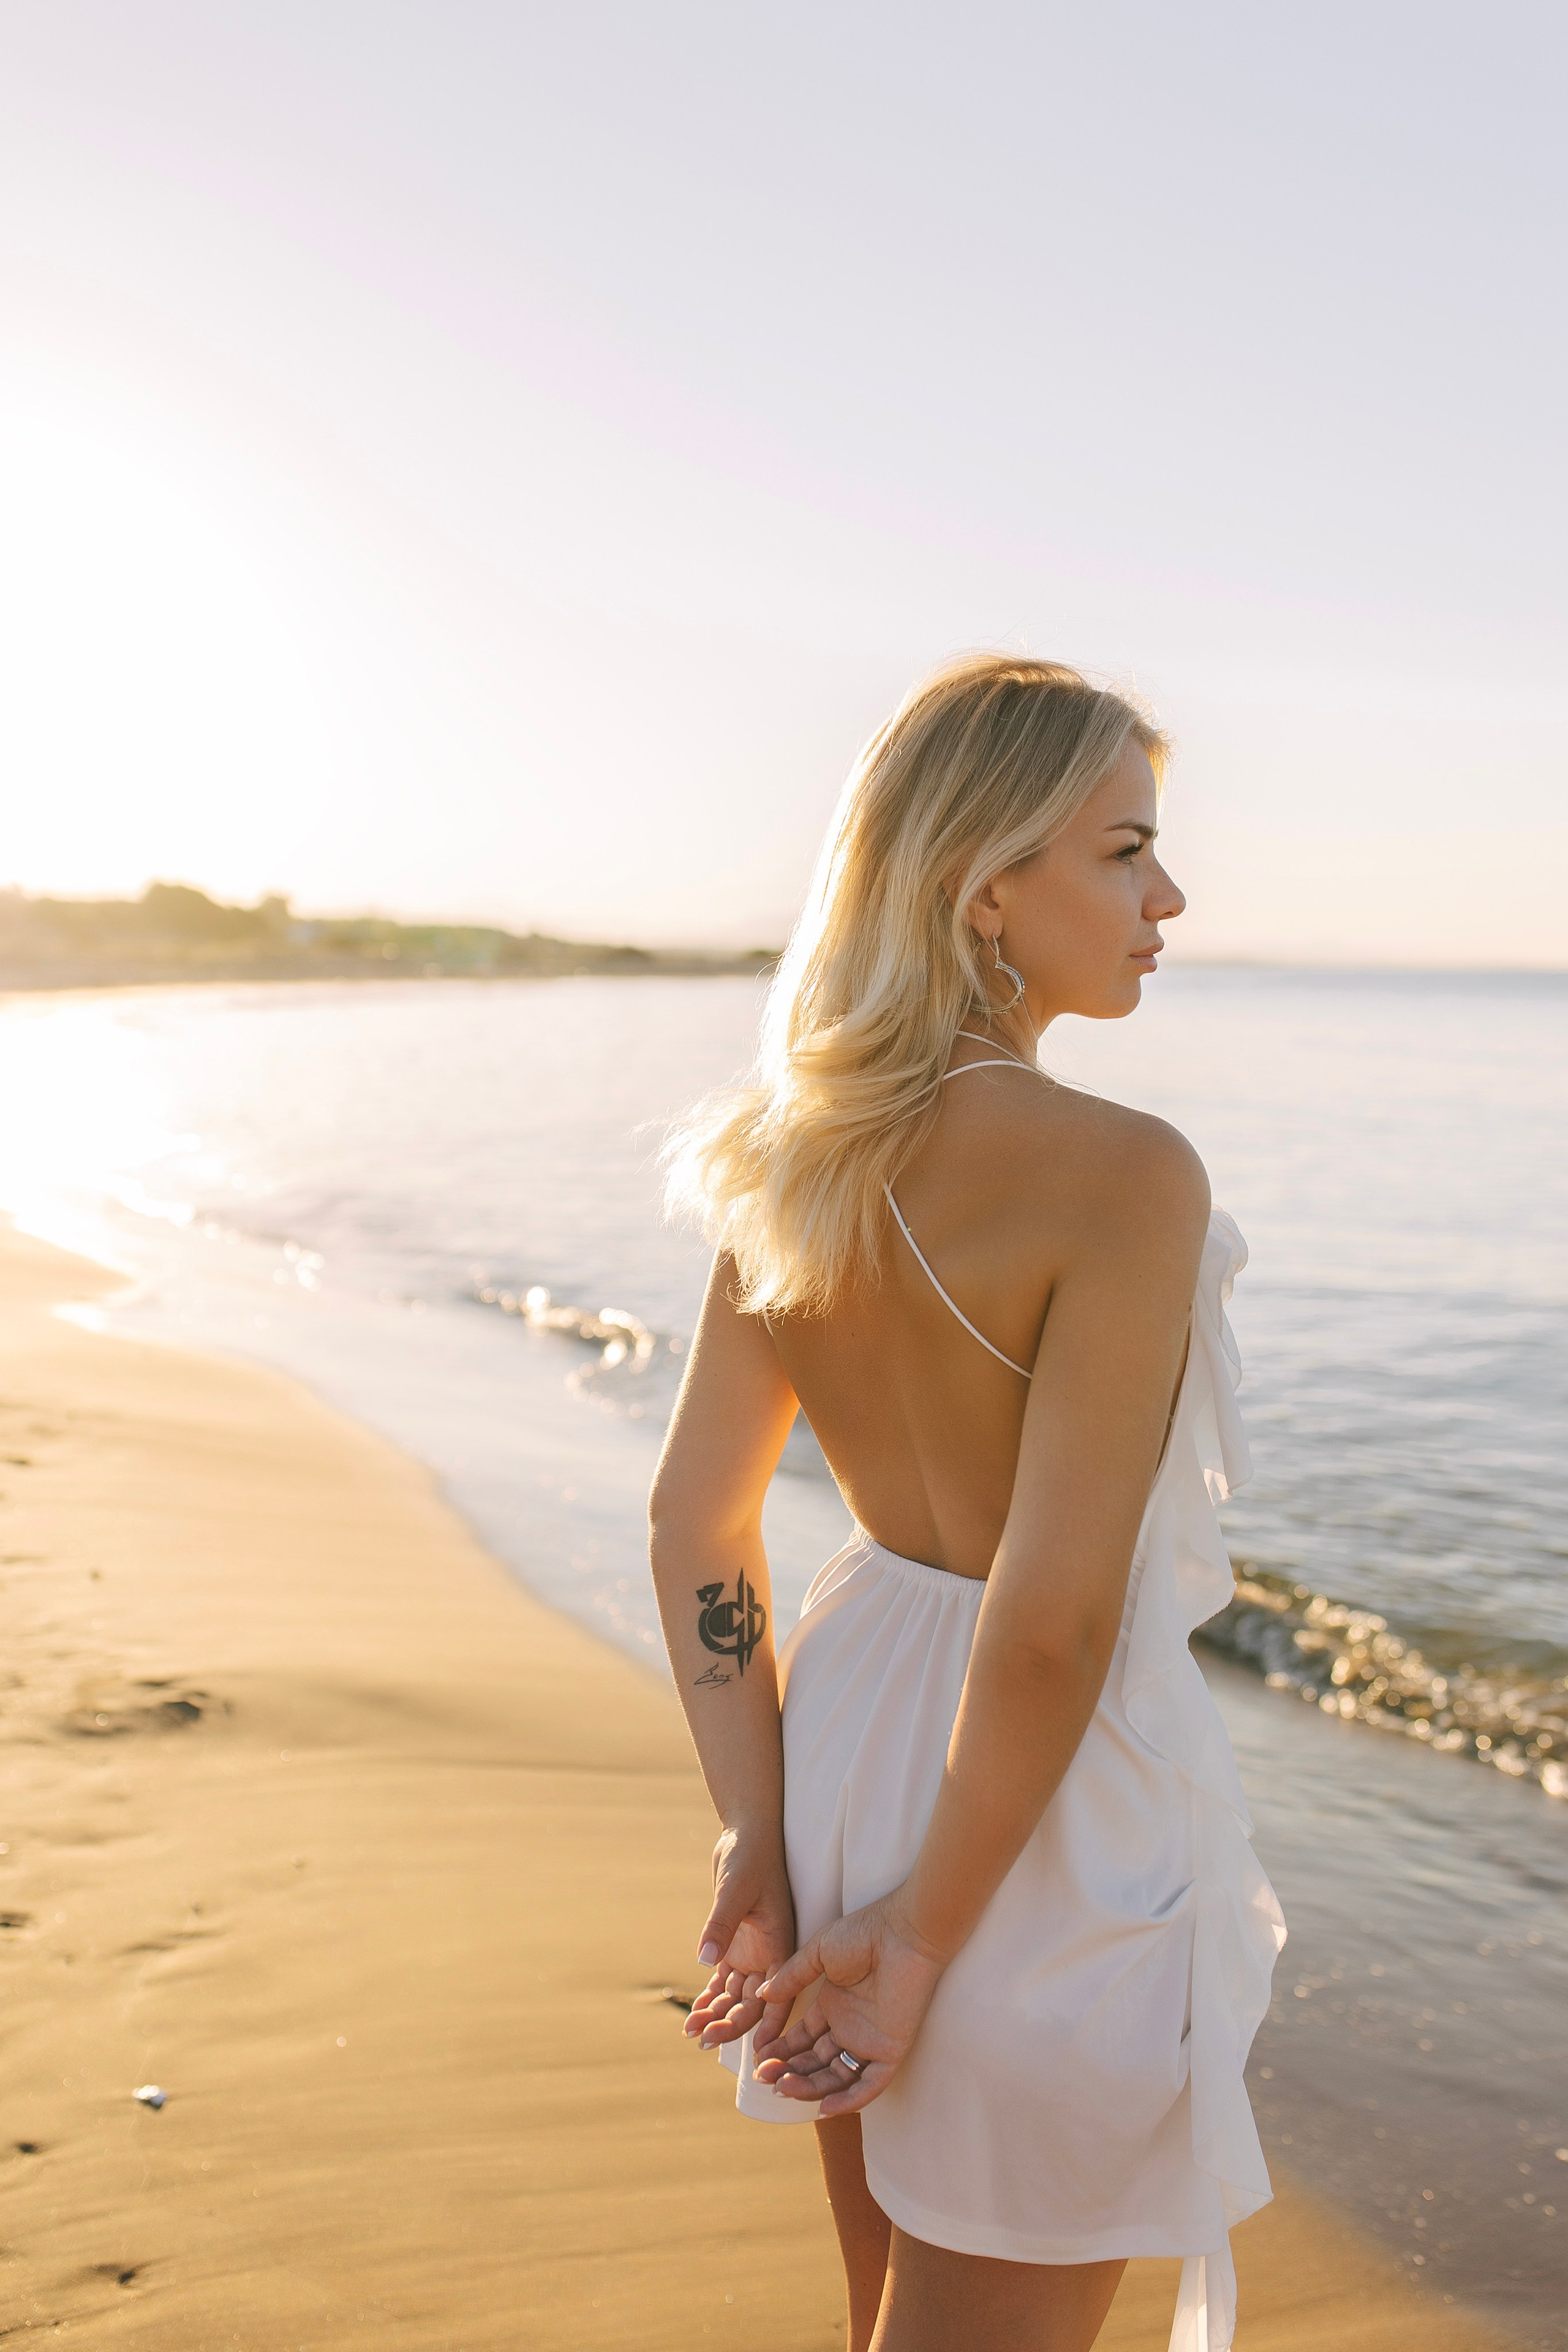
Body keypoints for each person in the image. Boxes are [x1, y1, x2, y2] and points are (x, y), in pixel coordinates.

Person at [650, 654, 1285, 2352]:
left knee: (894, 2321)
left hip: (849, 1738)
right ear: (986, 882)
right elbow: (1052, 1617)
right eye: (1123, 851)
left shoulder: (795, 1157)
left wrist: (759, 1835)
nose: (1168, 896)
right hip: (1027, 1814)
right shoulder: (1125, 1173)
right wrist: (922, 1942)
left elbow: (696, 1527)